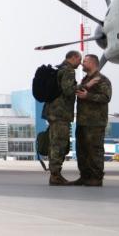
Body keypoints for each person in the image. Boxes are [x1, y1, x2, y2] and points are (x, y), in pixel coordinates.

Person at [42, 50, 81, 186]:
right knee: (60, 144)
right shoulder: (69, 71)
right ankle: (55, 175)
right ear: (74, 57)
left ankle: (55, 173)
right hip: (61, 114)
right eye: (79, 59)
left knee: (54, 143)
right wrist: (82, 86)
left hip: (52, 112)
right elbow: (68, 90)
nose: (80, 63)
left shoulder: (58, 68)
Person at [73, 54, 112, 186]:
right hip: (82, 121)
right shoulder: (85, 80)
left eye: (85, 61)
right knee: (81, 150)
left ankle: (96, 177)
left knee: (94, 150)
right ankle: (84, 176)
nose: (82, 63)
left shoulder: (102, 80)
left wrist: (88, 95)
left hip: (95, 122)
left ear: (93, 63)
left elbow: (106, 97)